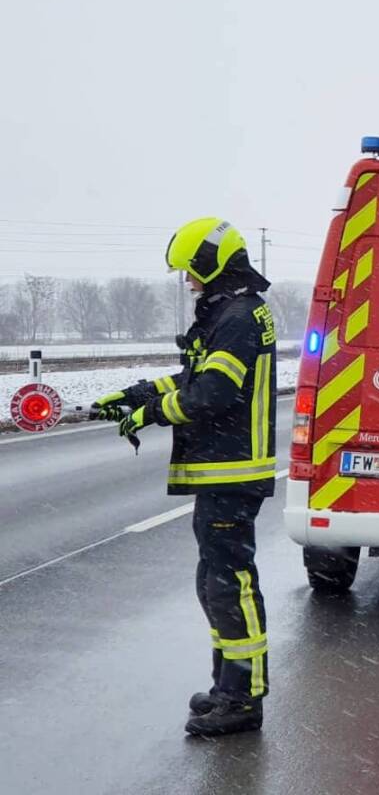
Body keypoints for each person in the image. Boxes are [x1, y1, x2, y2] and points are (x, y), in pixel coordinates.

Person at [93, 219, 277, 737]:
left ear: (212, 263)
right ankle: (228, 690)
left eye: (191, 271)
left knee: (231, 585)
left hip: (232, 470)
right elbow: (196, 375)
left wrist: (152, 413)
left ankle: (243, 701)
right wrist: (136, 392)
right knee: (216, 583)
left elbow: (214, 393)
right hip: (223, 469)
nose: (189, 281)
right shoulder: (232, 310)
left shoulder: (238, 316)